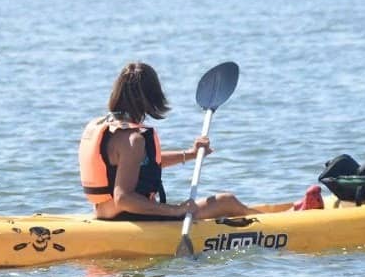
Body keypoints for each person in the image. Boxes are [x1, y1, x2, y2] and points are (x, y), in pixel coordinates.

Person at [79, 61, 258, 221]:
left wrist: (191, 154)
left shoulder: (110, 128)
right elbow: (123, 198)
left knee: (225, 203)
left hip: (104, 213)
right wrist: (175, 210)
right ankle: (277, 226)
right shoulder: (133, 140)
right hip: (129, 217)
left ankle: (263, 216)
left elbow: (139, 165)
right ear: (151, 97)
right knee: (226, 202)